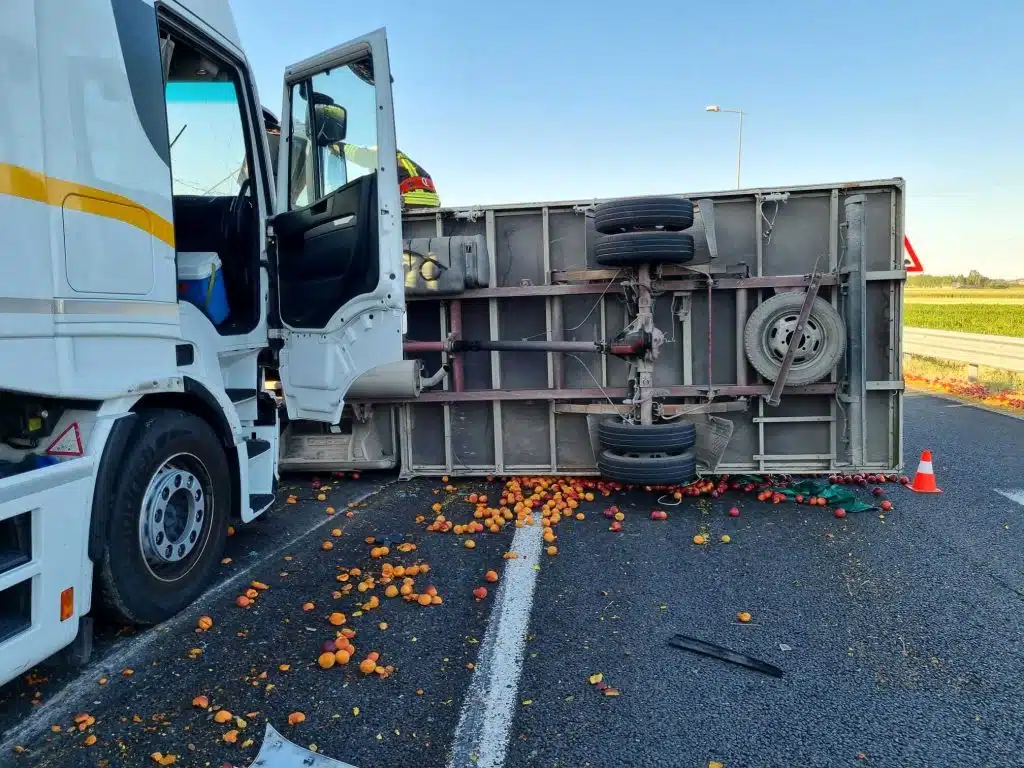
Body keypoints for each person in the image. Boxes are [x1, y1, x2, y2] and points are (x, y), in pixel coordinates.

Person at [260, 106, 439, 210]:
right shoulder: (405, 161)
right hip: (429, 205)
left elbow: (362, 156)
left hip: (412, 205)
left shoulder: (385, 154)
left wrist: (340, 147)